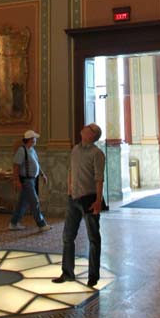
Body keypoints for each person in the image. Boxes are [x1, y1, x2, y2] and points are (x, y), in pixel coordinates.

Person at [52, 123, 105, 288]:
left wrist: (98, 200)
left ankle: (93, 276)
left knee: (93, 238)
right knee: (68, 236)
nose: (84, 127)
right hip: (73, 198)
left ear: (92, 134)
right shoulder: (75, 149)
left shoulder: (97, 154)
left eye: (88, 127)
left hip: (89, 199)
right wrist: (69, 189)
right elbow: (70, 170)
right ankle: (67, 273)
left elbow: (99, 178)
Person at [9, 129, 51, 232]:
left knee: (23, 203)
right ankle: (41, 224)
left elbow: (36, 164)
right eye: (34, 138)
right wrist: (17, 181)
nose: (36, 140)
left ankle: (13, 223)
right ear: (30, 139)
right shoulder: (21, 150)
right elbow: (16, 166)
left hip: (32, 180)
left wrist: (42, 174)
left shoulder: (32, 150)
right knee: (34, 201)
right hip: (26, 181)